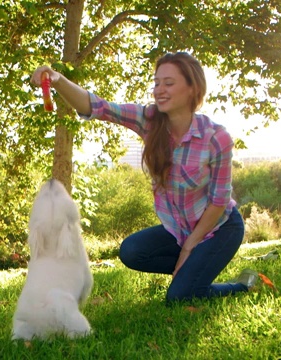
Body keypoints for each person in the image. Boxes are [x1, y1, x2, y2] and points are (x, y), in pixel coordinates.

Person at [30, 52, 258, 303]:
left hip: (219, 229)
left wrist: (190, 247)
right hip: (179, 230)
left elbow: (219, 201)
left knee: (179, 298)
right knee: (132, 251)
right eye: (157, 83)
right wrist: (58, 79)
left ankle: (241, 286)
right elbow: (98, 107)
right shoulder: (149, 121)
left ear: (193, 88)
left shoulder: (216, 138)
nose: (159, 89)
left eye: (169, 83)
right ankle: (194, 276)